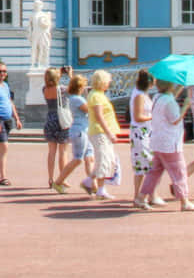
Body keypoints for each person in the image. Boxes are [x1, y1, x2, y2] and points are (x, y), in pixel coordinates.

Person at [137, 84, 194, 211]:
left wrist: (180, 87)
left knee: (154, 172)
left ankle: (141, 197)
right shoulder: (169, 101)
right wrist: (186, 106)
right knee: (179, 172)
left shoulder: (158, 97)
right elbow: (175, 119)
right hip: (170, 143)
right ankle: (184, 201)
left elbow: (171, 96)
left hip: (158, 141)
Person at [85, 70, 123, 200]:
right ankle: (100, 190)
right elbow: (99, 116)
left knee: (107, 159)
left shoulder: (99, 94)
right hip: (100, 132)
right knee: (103, 160)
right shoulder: (96, 96)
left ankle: (89, 181)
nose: (109, 83)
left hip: (102, 132)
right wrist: (109, 132)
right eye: (107, 81)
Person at [53, 73, 91, 193]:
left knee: (89, 158)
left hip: (84, 129)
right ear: (80, 87)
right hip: (79, 130)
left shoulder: (74, 97)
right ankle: (58, 181)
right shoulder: (77, 99)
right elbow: (89, 110)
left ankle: (92, 184)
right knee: (78, 159)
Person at [40, 67, 71, 188]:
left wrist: (58, 71)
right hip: (62, 120)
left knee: (51, 152)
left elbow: (50, 75)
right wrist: (69, 75)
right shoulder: (62, 89)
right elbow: (76, 89)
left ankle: (50, 178)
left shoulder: (44, 89)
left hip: (50, 120)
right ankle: (62, 179)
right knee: (63, 152)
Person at [129, 70, 155, 206]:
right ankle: (140, 196)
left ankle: (144, 195)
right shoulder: (139, 95)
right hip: (140, 133)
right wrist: (153, 116)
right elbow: (138, 116)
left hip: (146, 132)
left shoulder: (143, 94)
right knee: (146, 164)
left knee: (144, 165)